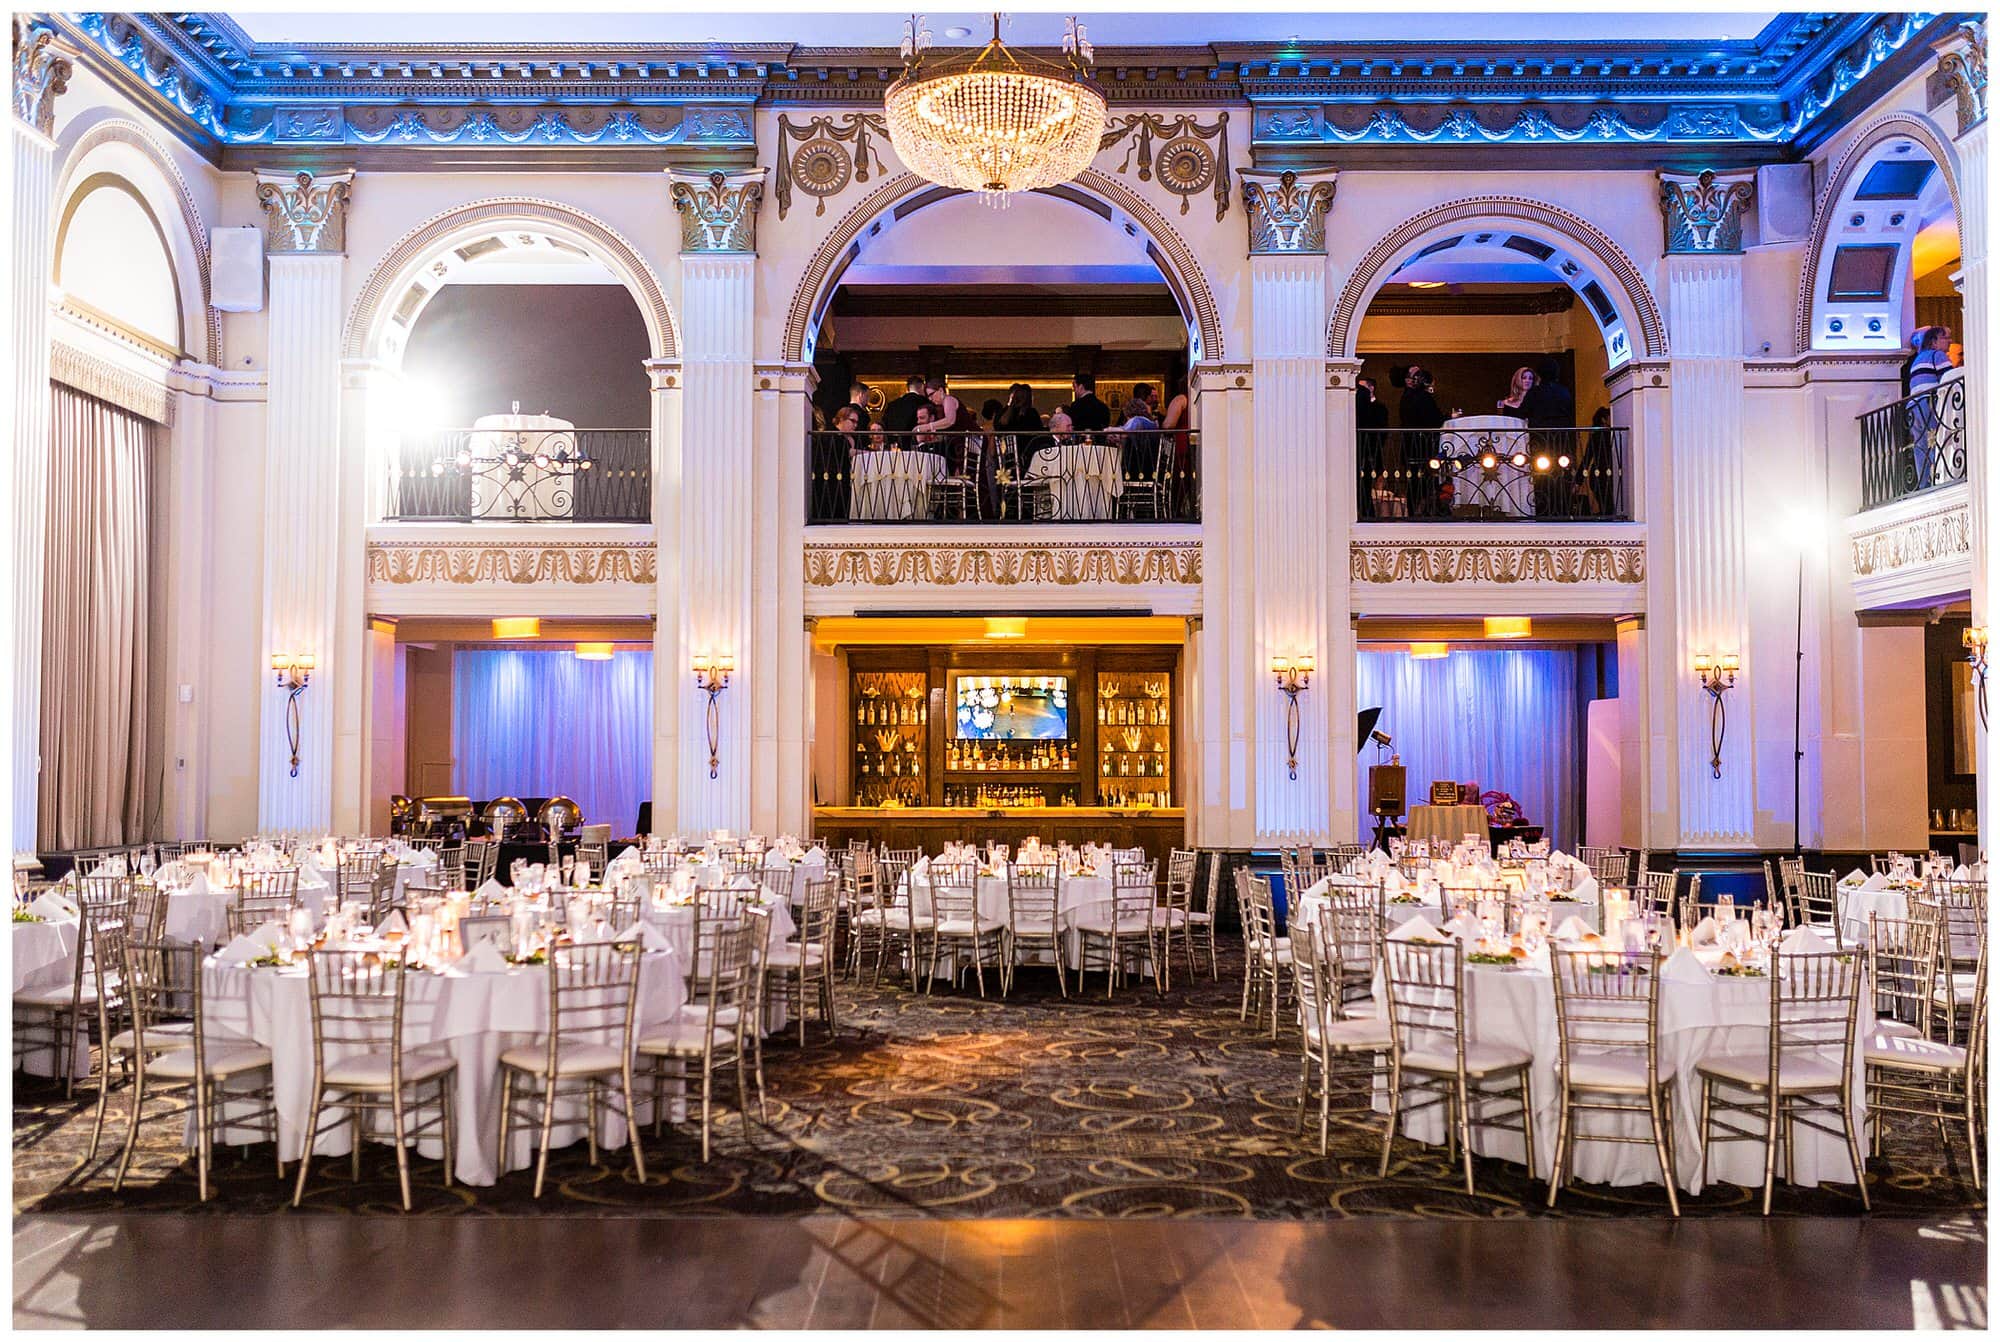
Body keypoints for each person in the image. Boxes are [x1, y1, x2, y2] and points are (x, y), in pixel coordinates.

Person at [814, 404, 861, 518]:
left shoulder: (846, 438)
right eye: (852, 421)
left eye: (856, 422)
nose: (855, 425)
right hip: (831, 485)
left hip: (841, 483)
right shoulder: (832, 435)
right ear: (841, 419)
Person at [1517, 358, 1572, 430]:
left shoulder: (1534, 392)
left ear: (1539, 374)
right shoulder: (1564, 391)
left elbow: (1522, 413)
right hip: (1561, 436)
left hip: (1539, 435)